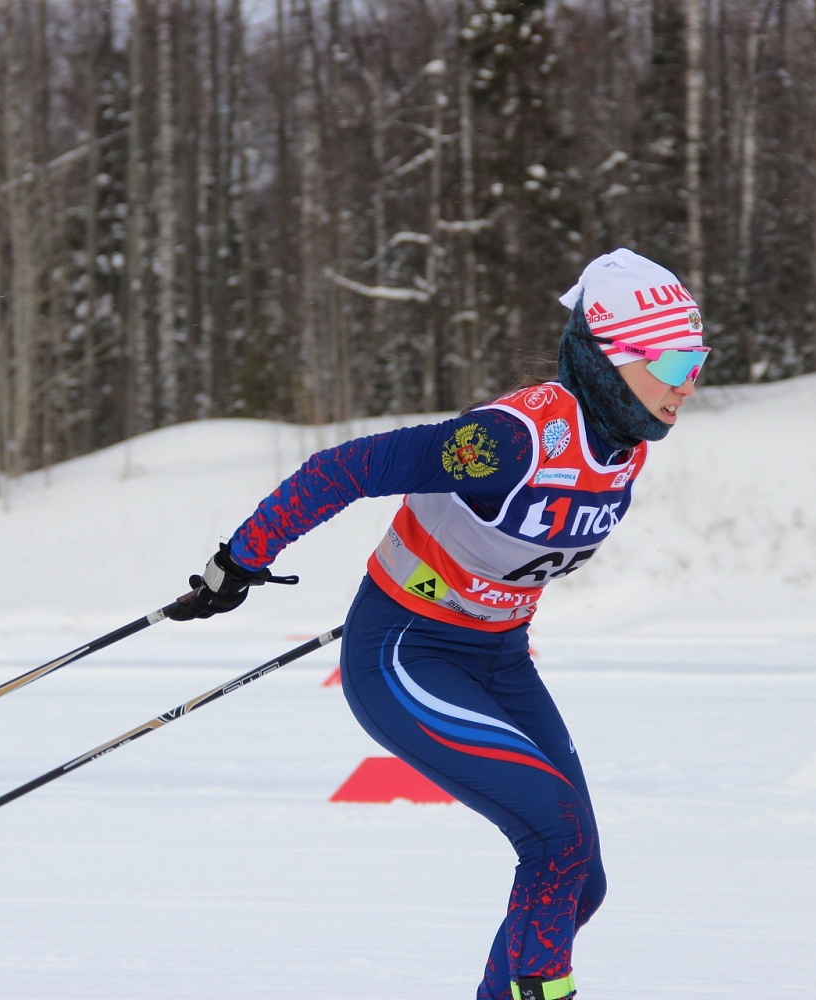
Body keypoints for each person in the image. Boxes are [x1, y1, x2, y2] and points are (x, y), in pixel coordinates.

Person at [169, 248, 709, 1000]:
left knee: (581, 880)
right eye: (676, 360)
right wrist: (240, 562)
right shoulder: (512, 440)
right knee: (555, 842)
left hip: (499, 660)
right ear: (608, 358)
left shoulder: (624, 445)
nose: (689, 382)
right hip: (404, 652)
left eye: (699, 359)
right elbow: (345, 470)